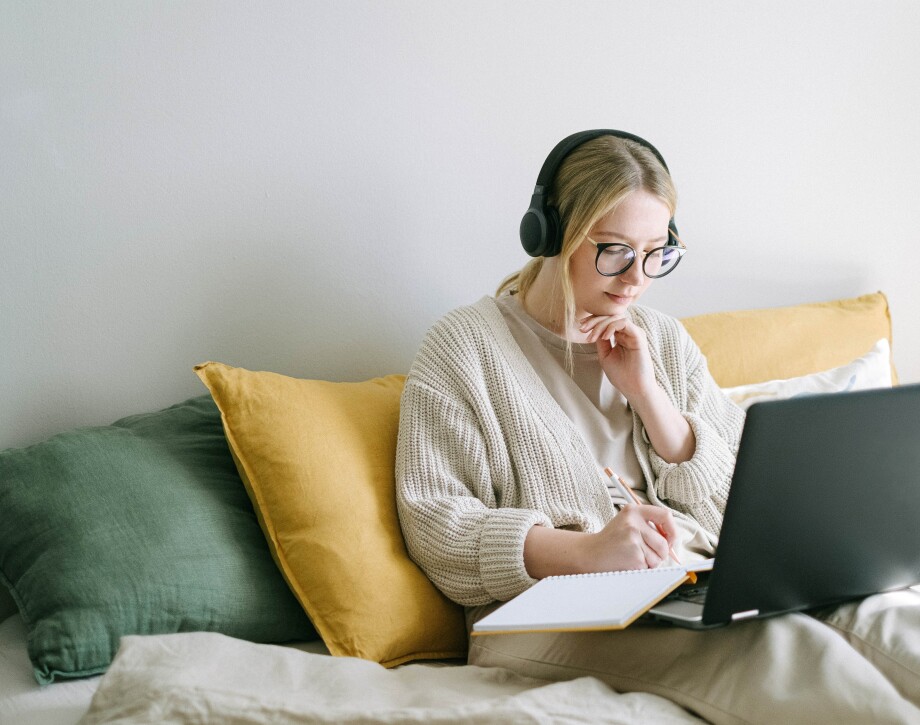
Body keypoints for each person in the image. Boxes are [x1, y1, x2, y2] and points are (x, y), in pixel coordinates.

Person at [395, 130, 920, 724]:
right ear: (549, 233)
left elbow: (743, 507)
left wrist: (650, 398)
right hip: (542, 616)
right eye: (615, 250)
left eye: (656, 253)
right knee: (785, 655)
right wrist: (588, 552)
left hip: (696, 584)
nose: (636, 279)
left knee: (886, 618)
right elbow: (437, 524)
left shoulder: (662, 339)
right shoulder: (462, 349)